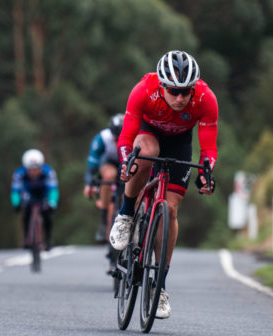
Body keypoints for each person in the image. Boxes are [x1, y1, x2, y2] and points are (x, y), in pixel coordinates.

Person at [109, 50, 218, 319]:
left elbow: (208, 147)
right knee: (146, 155)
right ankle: (125, 214)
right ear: (161, 84)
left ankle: (160, 286)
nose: (180, 98)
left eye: (186, 91)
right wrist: (126, 163)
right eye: (173, 90)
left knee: (169, 210)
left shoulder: (206, 99)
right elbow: (126, 137)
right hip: (148, 133)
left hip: (180, 143)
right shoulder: (144, 90)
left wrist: (206, 172)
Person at [83, 113, 124, 242]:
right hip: (109, 163)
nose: (117, 142)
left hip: (126, 163)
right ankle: (103, 219)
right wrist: (89, 184)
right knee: (108, 175)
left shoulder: (135, 135)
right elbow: (91, 166)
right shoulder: (102, 138)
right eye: (115, 139)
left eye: (120, 138)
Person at [11, 149, 58, 250]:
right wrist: (16, 203)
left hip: (43, 194)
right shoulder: (19, 174)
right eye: (30, 170)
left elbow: (53, 190)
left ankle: (48, 240)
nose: (34, 172)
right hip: (28, 194)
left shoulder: (49, 172)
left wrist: (52, 203)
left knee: (46, 214)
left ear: (41, 167)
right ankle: (26, 239)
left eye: (36, 169)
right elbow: (15, 190)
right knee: (26, 213)